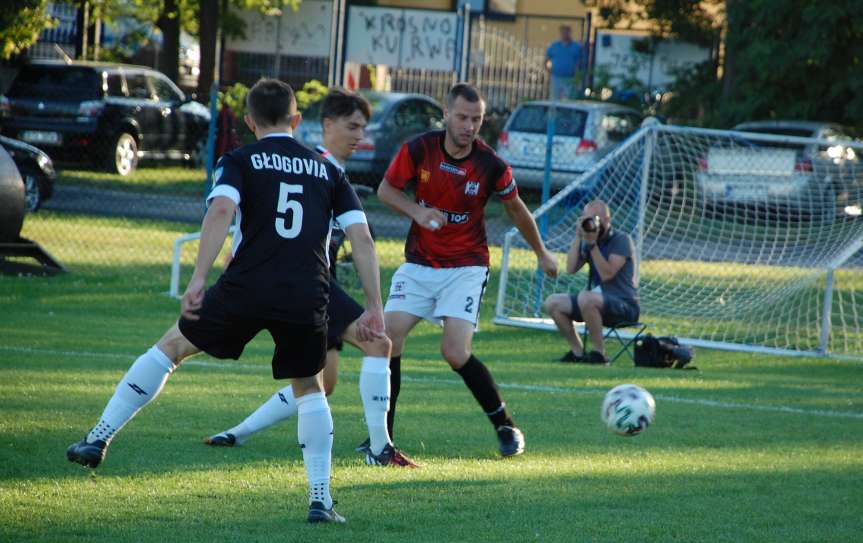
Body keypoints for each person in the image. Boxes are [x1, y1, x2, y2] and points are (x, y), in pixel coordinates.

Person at [65, 78, 384, 524]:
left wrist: (198, 278)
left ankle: (98, 438)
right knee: (309, 387)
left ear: (251, 122)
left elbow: (220, 211)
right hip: (307, 291)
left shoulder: (239, 158)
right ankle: (319, 500)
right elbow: (362, 239)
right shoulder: (327, 169)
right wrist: (375, 306)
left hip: (246, 285)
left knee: (172, 348)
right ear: (296, 121)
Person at [204, 87, 417, 468]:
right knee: (378, 343)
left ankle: (236, 433)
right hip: (304, 284)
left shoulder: (327, 169)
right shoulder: (314, 167)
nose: (359, 136)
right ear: (326, 124)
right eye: (352, 126)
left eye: (364, 128)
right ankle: (380, 448)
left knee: (322, 383)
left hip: (312, 285)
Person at [375, 83, 558, 458]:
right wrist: (418, 212)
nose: (469, 125)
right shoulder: (419, 149)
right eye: (462, 117)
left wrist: (541, 253)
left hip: (466, 267)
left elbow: (517, 210)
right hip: (419, 263)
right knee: (387, 338)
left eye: (476, 119)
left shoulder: (491, 165)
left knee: (455, 352)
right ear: (446, 114)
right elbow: (386, 191)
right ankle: (383, 441)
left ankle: (506, 426)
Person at [542, 200, 640, 364]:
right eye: (586, 219)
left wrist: (593, 246)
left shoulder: (621, 240)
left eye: (594, 218)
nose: (591, 223)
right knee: (553, 302)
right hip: (594, 303)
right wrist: (578, 237)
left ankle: (599, 354)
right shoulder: (588, 240)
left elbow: (607, 274)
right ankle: (578, 353)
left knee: (586, 297)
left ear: (607, 220)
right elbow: (571, 268)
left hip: (624, 304)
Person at [545, 25, 583, 101]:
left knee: (570, 99)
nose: (564, 34)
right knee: (554, 99)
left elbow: (580, 63)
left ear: (570, 32)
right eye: (562, 32)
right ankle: (554, 113)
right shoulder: (554, 46)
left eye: (566, 32)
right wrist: (550, 72)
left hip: (570, 78)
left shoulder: (577, 46)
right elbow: (546, 60)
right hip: (556, 77)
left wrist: (578, 79)